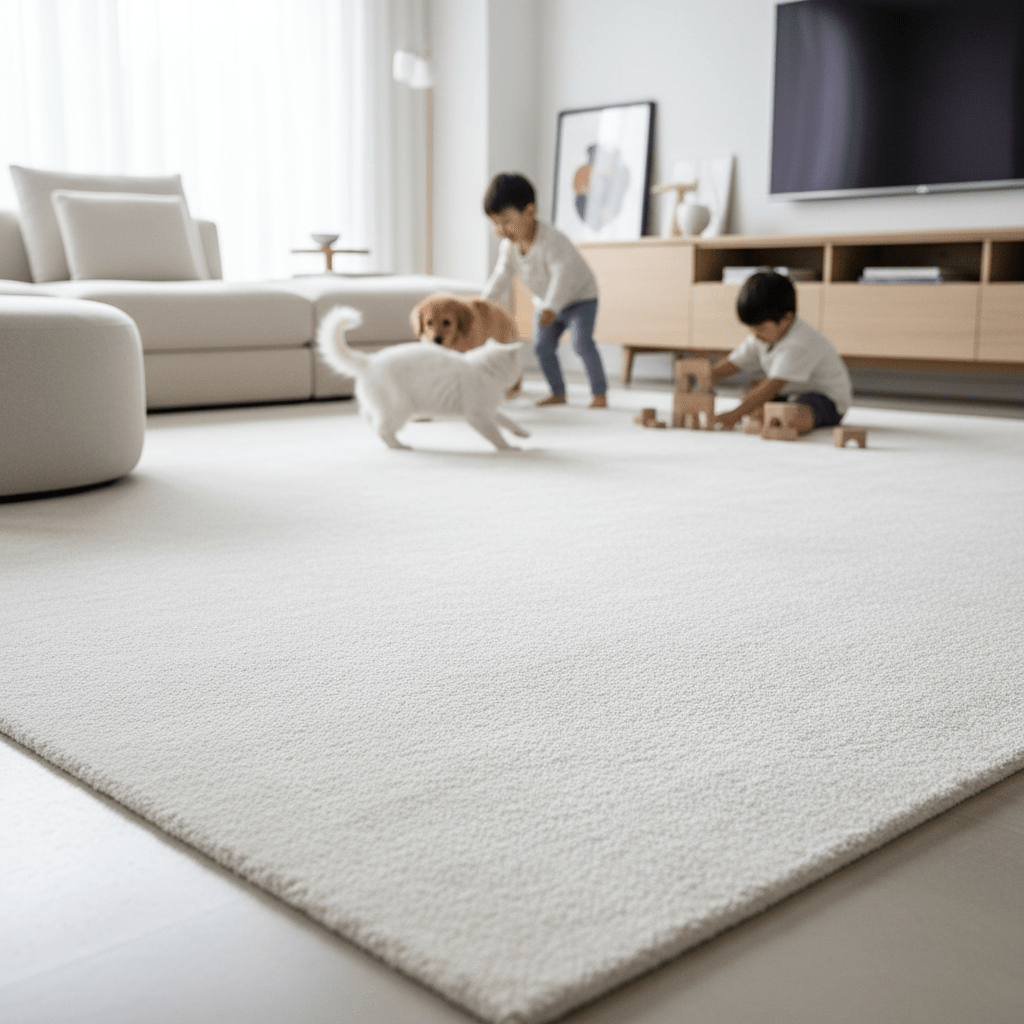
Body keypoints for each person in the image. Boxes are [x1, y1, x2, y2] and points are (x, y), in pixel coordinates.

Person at [480, 172, 608, 408]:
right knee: (542, 346)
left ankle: (599, 392)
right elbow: (502, 276)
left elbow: (563, 275)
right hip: (546, 302)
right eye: (495, 223)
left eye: (506, 221)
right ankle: (558, 392)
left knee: (582, 343)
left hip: (580, 298)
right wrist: (484, 302)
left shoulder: (551, 241)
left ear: (529, 212)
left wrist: (551, 306)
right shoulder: (509, 247)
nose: (501, 228)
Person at [712, 270, 852, 433]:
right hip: (788, 394)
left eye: (760, 328)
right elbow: (734, 363)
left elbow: (774, 385)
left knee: (791, 415)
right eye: (751, 328)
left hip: (825, 399)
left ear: (786, 319)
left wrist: (735, 414)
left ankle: (785, 419)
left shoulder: (800, 342)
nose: (754, 334)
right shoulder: (761, 336)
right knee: (754, 400)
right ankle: (773, 414)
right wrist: (707, 375)